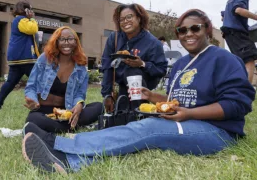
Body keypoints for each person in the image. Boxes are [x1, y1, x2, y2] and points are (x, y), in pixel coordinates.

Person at [21, 9, 256, 174]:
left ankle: (57, 144)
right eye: (181, 31)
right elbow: (179, 101)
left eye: (195, 28)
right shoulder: (182, 64)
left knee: (149, 128)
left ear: (207, 29)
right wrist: (153, 97)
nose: (188, 34)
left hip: (217, 132)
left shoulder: (224, 59)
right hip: (188, 124)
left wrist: (188, 114)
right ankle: (70, 162)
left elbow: (238, 105)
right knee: (137, 129)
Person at [24, 26, 102, 133]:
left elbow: (80, 93)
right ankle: (68, 127)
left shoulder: (81, 68)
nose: (66, 43)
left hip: (66, 112)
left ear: (76, 42)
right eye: (62, 39)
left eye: (70, 39)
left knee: (99, 107)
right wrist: (32, 100)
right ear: (56, 42)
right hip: (42, 111)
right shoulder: (45, 59)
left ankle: (63, 126)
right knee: (33, 120)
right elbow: (31, 86)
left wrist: (79, 106)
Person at [101, 3, 167, 112]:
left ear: (139, 18)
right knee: (121, 114)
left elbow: (161, 70)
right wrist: (107, 94)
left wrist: (142, 64)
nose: (125, 21)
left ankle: (140, 112)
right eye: (121, 19)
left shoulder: (153, 43)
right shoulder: (115, 37)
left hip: (142, 83)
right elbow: (107, 65)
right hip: (121, 84)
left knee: (132, 72)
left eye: (129, 17)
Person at [0, 0, 40, 109]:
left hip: (17, 58)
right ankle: (42, 104)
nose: (32, 11)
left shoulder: (19, 20)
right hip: (24, 58)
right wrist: (32, 18)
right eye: (30, 9)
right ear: (26, 10)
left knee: (11, 82)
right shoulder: (21, 19)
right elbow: (33, 29)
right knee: (39, 81)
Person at [221, 0, 257, 83]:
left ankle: (236, 89)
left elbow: (223, 17)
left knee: (240, 62)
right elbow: (238, 10)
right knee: (249, 59)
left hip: (230, 34)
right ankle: (245, 92)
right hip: (236, 32)